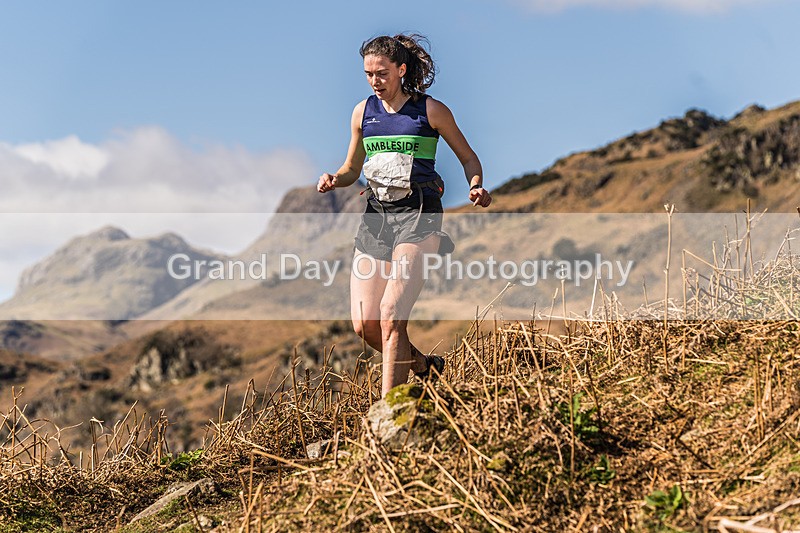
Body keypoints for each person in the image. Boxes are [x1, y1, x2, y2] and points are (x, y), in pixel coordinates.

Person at [317, 33, 491, 397]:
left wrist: (475, 184)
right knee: (365, 324)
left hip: (420, 213)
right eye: (368, 74)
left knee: (392, 313)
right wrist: (336, 179)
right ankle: (424, 366)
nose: (374, 81)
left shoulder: (431, 111)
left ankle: (388, 412)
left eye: (381, 73)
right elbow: (352, 167)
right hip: (376, 216)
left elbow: (468, 157)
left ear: (401, 70)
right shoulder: (363, 112)